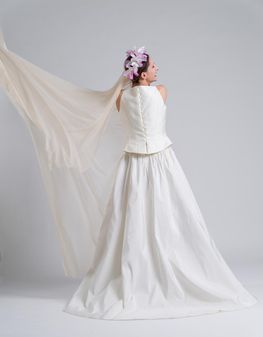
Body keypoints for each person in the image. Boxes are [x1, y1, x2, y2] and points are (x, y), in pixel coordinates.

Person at [0, 36, 258, 320]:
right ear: (143, 73)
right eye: (153, 65)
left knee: (130, 220)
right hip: (162, 162)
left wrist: (126, 81)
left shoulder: (121, 98)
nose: (158, 68)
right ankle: (166, 271)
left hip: (133, 164)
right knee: (171, 216)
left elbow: (122, 101)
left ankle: (137, 272)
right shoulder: (161, 91)